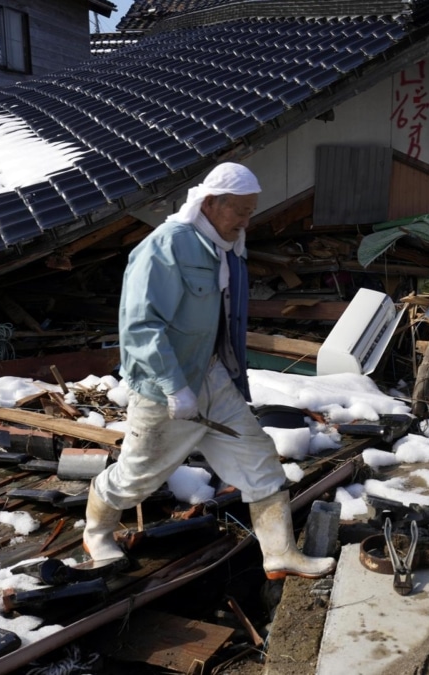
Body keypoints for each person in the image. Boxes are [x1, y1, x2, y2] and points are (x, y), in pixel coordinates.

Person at [83, 162, 334, 579]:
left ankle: (279, 554)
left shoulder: (223, 244)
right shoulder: (166, 246)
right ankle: (97, 531)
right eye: (240, 211)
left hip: (213, 376)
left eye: (251, 211)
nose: (246, 220)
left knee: (259, 460)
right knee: (137, 478)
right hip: (166, 387)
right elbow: (141, 325)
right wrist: (175, 387)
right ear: (212, 203)